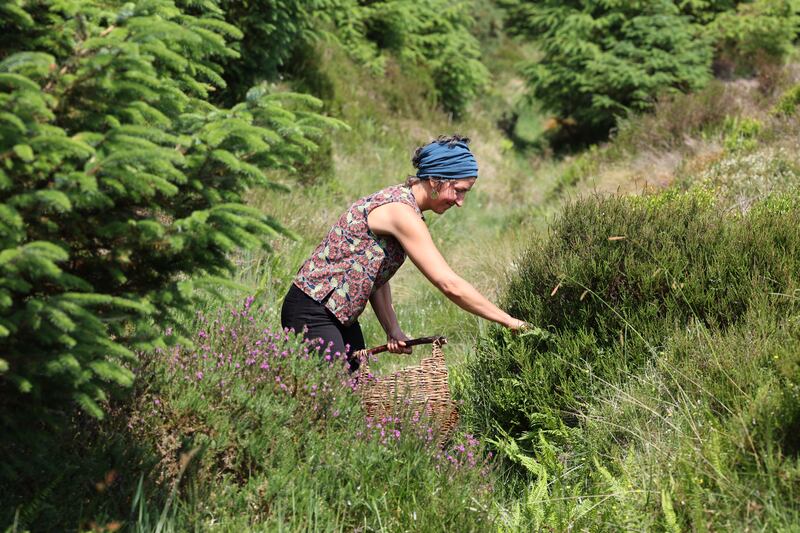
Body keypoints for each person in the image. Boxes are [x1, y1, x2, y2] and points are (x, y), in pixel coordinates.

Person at [280, 135, 527, 370]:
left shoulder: (403, 203)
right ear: (435, 180)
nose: (460, 201)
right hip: (311, 310)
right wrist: (509, 321)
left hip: (337, 315)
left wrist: (392, 329)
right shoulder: (401, 212)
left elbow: (374, 275)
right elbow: (448, 283)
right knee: (333, 399)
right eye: (458, 190)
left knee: (354, 396)